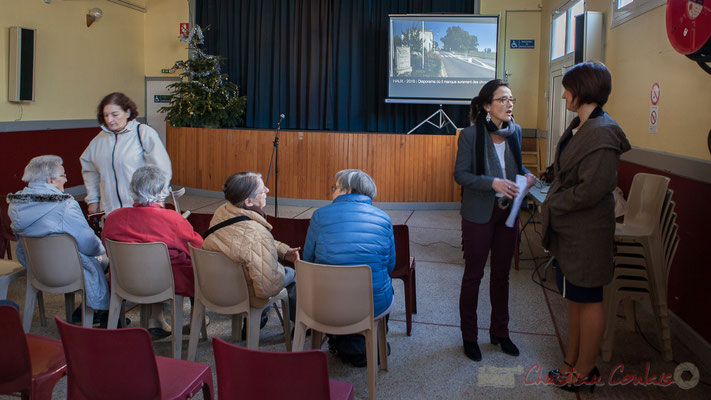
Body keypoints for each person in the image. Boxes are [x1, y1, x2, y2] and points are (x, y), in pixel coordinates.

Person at [542, 62, 630, 392]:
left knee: (589, 297)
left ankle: (585, 368)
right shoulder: (581, 125)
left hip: (588, 231)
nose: (564, 94)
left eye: (567, 88)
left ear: (583, 90)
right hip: (571, 229)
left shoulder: (604, 132)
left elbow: (593, 189)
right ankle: (571, 361)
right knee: (574, 296)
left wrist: (554, 203)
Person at [454, 79, 536, 362]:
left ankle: (500, 332)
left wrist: (527, 177)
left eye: (512, 99)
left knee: (502, 276)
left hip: (507, 215)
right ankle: (469, 336)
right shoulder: (469, 135)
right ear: (488, 106)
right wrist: (493, 183)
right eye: (503, 99)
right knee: (474, 275)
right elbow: (461, 175)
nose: (510, 104)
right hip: (478, 213)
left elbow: (516, 167)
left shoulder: (515, 132)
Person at [303, 169, 395, 367]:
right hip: (371, 305)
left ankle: (341, 340)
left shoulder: (319, 216)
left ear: (348, 190)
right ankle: (372, 342)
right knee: (385, 286)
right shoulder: (385, 219)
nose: (331, 192)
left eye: (334, 187)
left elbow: (307, 260)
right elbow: (390, 266)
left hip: (325, 303)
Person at [102, 166, 202, 338]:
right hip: (167, 283)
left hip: (125, 280)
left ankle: (156, 318)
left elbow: (106, 248)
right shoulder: (174, 220)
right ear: (162, 191)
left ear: (132, 189)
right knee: (190, 267)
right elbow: (198, 247)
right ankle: (195, 323)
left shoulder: (113, 218)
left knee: (154, 262)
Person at [7, 155, 110, 317]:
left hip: (37, 269)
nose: (66, 180)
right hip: (67, 272)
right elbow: (89, 244)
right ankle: (101, 313)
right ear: (50, 180)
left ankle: (86, 311)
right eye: (63, 175)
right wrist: (103, 249)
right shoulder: (65, 205)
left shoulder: (15, 204)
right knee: (106, 259)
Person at [201, 172, 299, 330]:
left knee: (256, 269)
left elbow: (244, 240)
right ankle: (300, 327)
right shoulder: (257, 233)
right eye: (262, 190)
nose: (267, 191)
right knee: (290, 274)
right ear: (248, 201)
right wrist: (278, 267)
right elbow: (267, 288)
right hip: (243, 295)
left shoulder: (222, 211)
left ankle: (260, 317)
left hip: (215, 288)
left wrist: (282, 250)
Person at [81, 92, 172, 216]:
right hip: (110, 209)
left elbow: (161, 168)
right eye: (106, 115)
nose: (109, 120)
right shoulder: (98, 141)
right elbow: (90, 172)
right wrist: (93, 200)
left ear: (127, 112)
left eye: (115, 114)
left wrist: (159, 198)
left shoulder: (143, 133)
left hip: (141, 207)